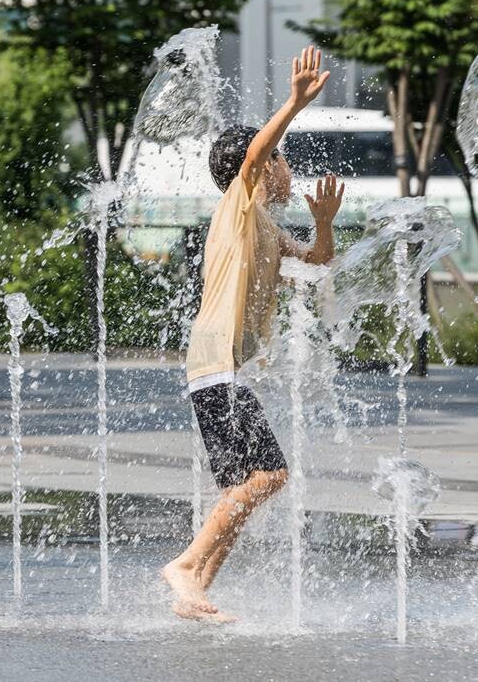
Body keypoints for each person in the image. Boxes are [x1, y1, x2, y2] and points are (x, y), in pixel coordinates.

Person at [161, 46, 344, 621]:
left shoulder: (263, 224)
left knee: (243, 489)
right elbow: (256, 153)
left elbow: (315, 266)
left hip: (219, 368)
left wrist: (322, 226)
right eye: (281, 159)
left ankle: (197, 590)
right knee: (270, 474)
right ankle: (185, 567)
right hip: (213, 363)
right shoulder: (239, 204)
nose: (288, 168)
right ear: (262, 168)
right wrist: (292, 104)